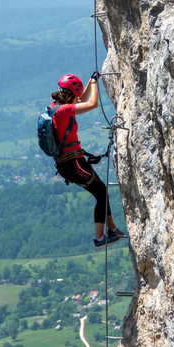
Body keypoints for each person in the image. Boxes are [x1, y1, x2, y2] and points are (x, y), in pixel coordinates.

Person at [50, 72, 126, 249]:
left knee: (101, 191)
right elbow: (92, 104)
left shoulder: (55, 106)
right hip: (73, 164)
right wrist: (94, 85)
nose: (77, 98)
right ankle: (99, 238)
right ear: (71, 94)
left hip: (68, 163)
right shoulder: (63, 110)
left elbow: (79, 100)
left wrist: (92, 81)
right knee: (101, 192)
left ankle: (113, 229)